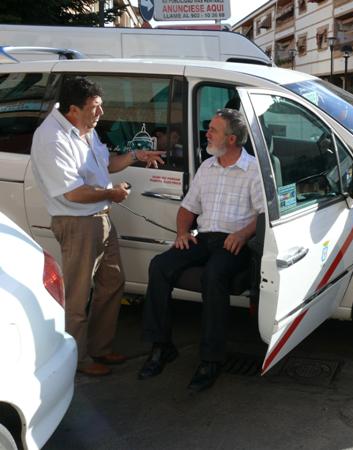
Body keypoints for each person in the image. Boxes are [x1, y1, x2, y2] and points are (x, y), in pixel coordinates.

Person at [30, 76, 165, 377]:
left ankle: (100, 349)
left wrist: (135, 156)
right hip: (77, 222)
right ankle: (75, 360)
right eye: (95, 107)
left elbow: (106, 165)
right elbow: (72, 193)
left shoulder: (85, 129)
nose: (101, 113)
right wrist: (111, 193)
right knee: (78, 296)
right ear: (74, 109)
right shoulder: (52, 137)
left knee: (113, 282)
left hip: (100, 218)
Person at [138, 108, 264, 391]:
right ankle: (161, 346)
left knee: (214, 275)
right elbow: (188, 207)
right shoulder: (208, 166)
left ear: (231, 139)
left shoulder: (253, 169)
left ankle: (211, 359)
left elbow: (263, 215)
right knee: (160, 265)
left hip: (234, 242)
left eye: (213, 130)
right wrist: (182, 232)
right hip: (204, 237)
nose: (207, 133)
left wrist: (243, 234)